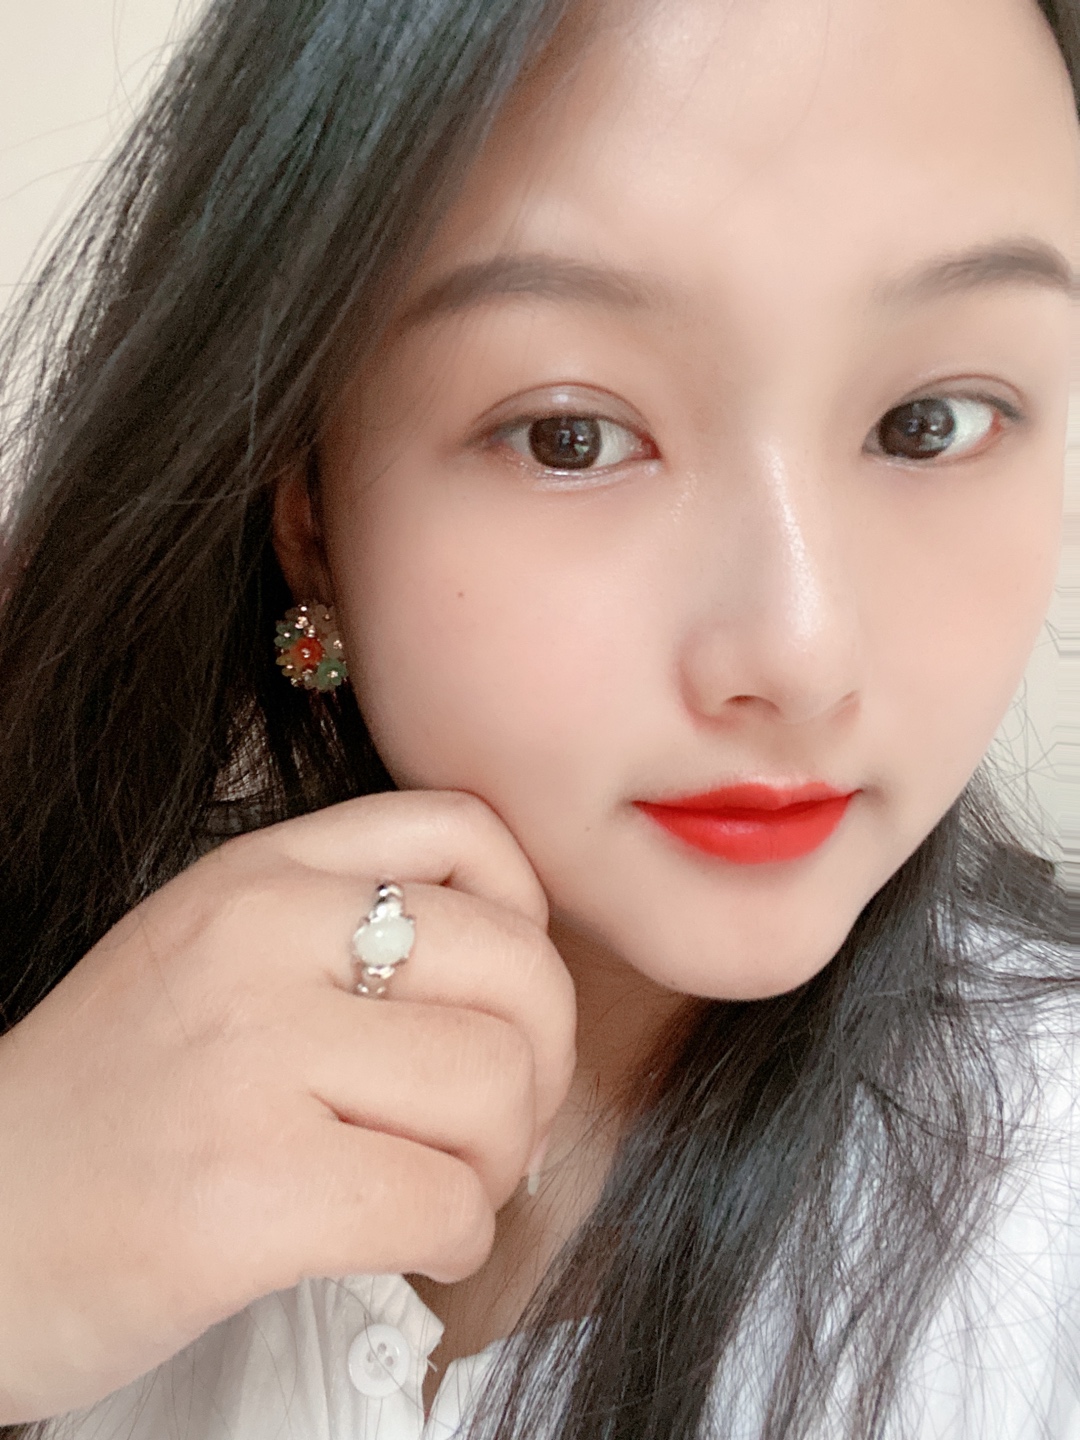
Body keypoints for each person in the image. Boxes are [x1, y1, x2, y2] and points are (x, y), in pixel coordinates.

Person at [0, 0, 1077, 1434]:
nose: (801, 653)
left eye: (931, 421)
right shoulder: (71, 1057)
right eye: (572, 436)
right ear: (306, 507)